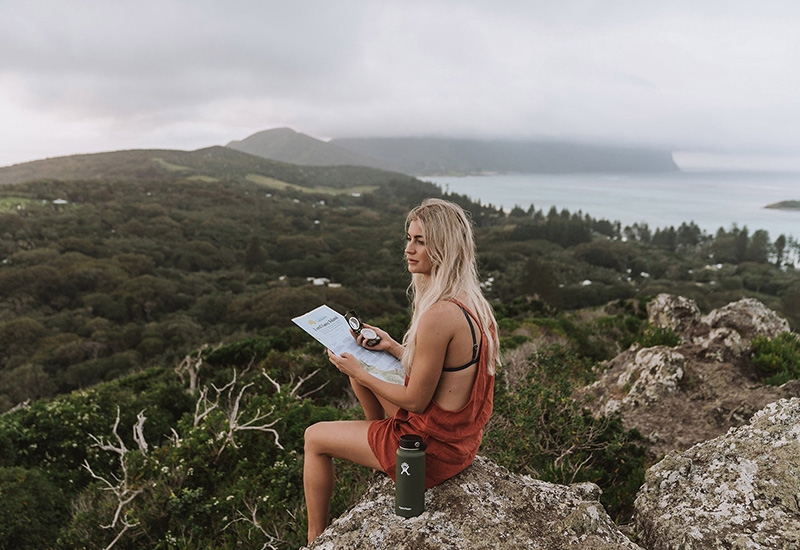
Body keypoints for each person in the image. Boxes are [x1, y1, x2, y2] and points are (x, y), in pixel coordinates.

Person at [303, 198, 499, 544]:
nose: (408, 249)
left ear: (444, 246)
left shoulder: (439, 315)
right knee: (361, 364)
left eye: (420, 241)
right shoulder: (472, 302)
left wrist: (361, 372)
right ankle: (378, 440)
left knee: (314, 438)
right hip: (459, 439)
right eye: (408, 239)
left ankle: (314, 538)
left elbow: (417, 401)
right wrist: (393, 346)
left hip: (429, 451)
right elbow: (444, 371)